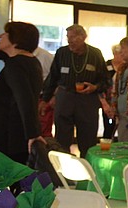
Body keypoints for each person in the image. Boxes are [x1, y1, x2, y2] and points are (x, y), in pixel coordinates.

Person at [41, 24, 109, 157]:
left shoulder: (95, 54)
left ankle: (87, 165)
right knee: (62, 138)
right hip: (65, 97)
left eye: (73, 37)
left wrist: (95, 87)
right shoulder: (62, 52)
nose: (69, 41)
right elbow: (53, 77)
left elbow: (105, 80)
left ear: (83, 37)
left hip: (87, 100)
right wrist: (45, 99)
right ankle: (62, 166)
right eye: (68, 37)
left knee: (88, 138)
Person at [0, 22, 45, 164]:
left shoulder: (15, 65)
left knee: (2, 175)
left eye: (6, 34)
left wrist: (33, 134)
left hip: (7, 134)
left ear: (15, 41)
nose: (1, 36)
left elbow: (25, 99)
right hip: (16, 133)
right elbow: (13, 61)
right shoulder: (31, 61)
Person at [33, 46, 55, 138]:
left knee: (43, 131)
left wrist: (53, 97)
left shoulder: (45, 56)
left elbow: (56, 77)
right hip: (28, 98)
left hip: (43, 98)